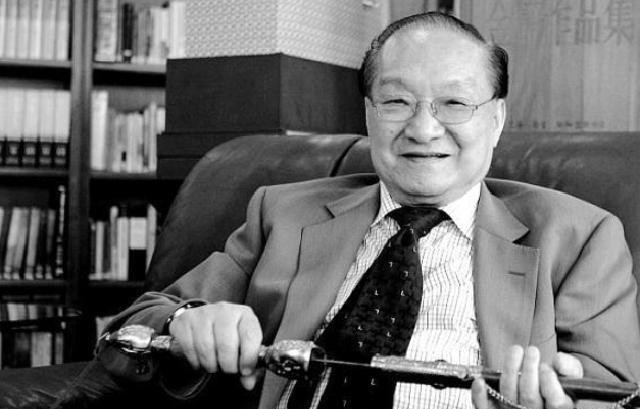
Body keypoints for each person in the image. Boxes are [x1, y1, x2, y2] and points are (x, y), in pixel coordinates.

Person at [97, 11, 640, 409]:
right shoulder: (283, 213)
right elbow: (126, 335)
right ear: (368, 113)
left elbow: (616, 392)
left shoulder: (578, 237)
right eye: (397, 101)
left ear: (495, 120)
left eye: (454, 103)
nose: (423, 129)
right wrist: (187, 322)